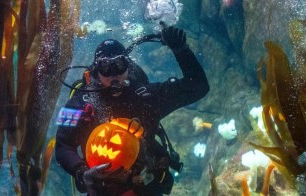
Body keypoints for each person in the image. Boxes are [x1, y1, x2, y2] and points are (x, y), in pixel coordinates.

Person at [55, 26, 209, 196]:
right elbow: (62, 145)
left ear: (128, 67)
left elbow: (199, 87)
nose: (113, 74)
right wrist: (82, 172)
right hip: (101, 189)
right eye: (105, 67)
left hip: (145, 185)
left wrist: (181, 50)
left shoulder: (147, 97)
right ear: (96, 70)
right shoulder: (79, 103)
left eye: (119, 65)